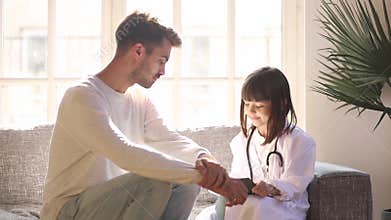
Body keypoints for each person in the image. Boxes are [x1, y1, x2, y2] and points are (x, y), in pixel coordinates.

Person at [41, 12, 248, 220]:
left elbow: (169, 140)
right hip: (68, 211)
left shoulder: (138, 99)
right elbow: (125, 153)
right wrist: (208, 179)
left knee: (187, 184)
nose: (163, 71)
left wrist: (202, 159)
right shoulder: (83, 96)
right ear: (138, 51)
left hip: (115, 206)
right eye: (161, 61)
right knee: (154, 180)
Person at [197, 67, 316, 220]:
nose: (250, 111)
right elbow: (238, 177)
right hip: (250, 203)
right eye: (246, 104)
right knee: (210, 215)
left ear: (281, 103)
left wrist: (271, 188)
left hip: (285, 208)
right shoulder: (242, 140)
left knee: (256, 207)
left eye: (259, 106)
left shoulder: (301, 142)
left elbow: (295, 185)